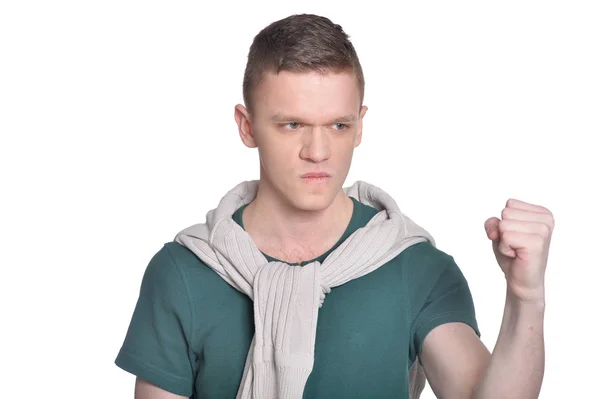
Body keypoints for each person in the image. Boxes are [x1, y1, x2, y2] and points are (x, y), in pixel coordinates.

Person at [115, 13, 553, 399]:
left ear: (360, 126)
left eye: (338, 125)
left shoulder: (415, 267)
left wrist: (525, 296)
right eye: (292, 125)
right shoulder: (183, 271)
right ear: (247, 127)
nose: (318, 151)